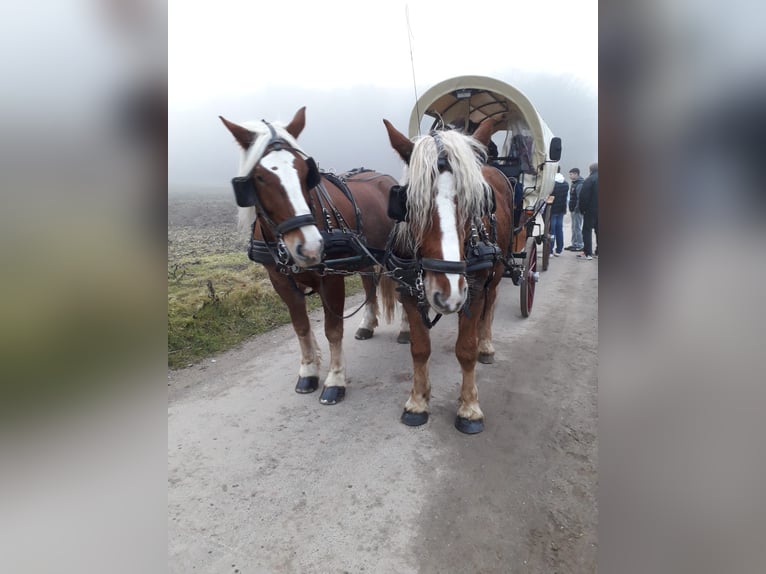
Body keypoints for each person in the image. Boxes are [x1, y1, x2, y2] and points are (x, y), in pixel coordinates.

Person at [577, 162, 599, 260]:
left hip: (591, 209)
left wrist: (582, 209)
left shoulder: (590, 180)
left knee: (587, 230)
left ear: (591, 170)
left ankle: (588, 253)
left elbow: (584, 196)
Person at [548, 169, 569, 256]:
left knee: (551, 230)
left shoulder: (551, 184)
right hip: (561, 209)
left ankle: (550, 250)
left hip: (552, 209)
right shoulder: (566, 183)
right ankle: (559, 249)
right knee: (559, 229)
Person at [566, 167, 585, 251]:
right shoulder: (574, 183)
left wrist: (576, 209)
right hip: (573, 209)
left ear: (576, 174)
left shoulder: (580, 184)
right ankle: (574, 244)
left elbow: (579, 198)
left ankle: (580, 245)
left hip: (577, 210)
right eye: (569, 174)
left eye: (571, 174)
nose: (570, 176)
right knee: (573, 227)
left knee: (577, 227)